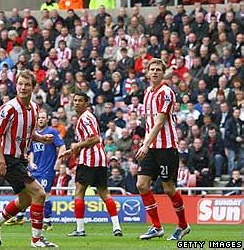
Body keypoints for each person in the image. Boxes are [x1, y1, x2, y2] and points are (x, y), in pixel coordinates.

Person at [0, 70, 58, 247]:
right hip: (9, 158)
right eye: (20, 84)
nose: (23, 87)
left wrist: (40, 138)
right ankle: (37, 240)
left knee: (25, 200)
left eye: (27, 84)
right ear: (16, 85)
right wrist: (0, 162)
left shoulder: (35, 108)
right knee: (39, 193)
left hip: (21, 159)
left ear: (33, 87)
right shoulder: (9, 108)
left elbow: (29, 133)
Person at [135, 58, 190, 241]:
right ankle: (157, 226)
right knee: (141, 185)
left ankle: (183, 225)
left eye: (159, 69)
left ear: (163, 72)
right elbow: (149, 121)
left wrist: (145, 143)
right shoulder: (147, 93)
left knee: (168, 188)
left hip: (166, 147)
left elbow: (159, 123)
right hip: (151, 147)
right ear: (148, 72)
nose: (155, 72)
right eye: (152, 69)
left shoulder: (166, 92)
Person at [59, 92, 122, 237]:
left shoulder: (85, 118)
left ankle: (80, 229)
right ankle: (116, 227)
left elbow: (94, 138)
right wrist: (72, 150)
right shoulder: (87, 117)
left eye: (80, 100)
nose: (76, 103)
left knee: (79, 192)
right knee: (104, 193)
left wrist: (76, 146)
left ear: (87, 103)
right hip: (100, 159)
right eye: (75, 100)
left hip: (89, 160)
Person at [5, 110, 66, 231]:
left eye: (43, 118)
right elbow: (31, 151)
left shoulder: (52, 132)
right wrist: (31, 162)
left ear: (47, 119)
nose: (41, 120)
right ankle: (20, 217)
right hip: (35, 169)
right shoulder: (35, 135)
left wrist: (58, 163)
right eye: (39, 118)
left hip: (47, 169)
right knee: (27, 193)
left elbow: (62, 146)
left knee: (45, 194)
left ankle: (48, 222)